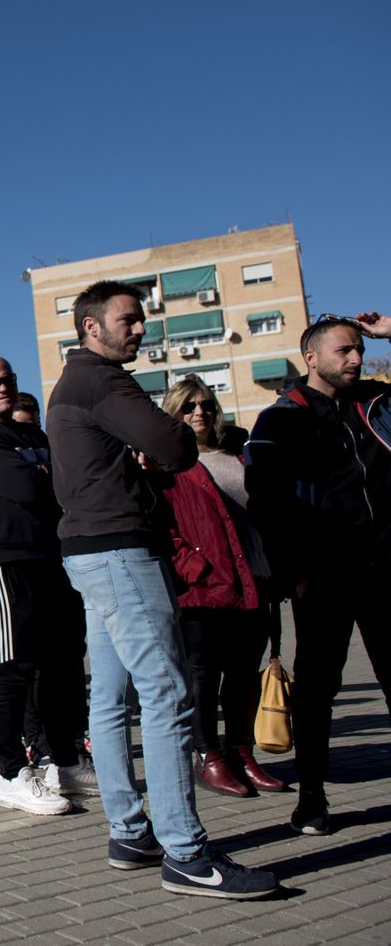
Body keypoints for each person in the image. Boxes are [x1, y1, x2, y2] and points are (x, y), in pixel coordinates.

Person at [50, 278, 277, 898]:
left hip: (90, 551)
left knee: (112, 693)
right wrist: (152, 447)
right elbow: (177, 444)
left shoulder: (72, 384)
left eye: (141, 318)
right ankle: (186, 852)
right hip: (120, 551)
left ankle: (128, 831)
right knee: (169, 695)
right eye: (129, 319)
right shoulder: (103, 379)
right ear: (91, 327)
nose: (140, 328)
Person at [247, 310, 391, 836]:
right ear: (311, 357)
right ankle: (312, 797)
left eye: (359, 348)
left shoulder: (377, 402)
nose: (355, 358)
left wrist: (389, 332)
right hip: (324, 575)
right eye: (344, 351)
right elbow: (266, 503)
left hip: (384, 568)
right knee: (317, 689)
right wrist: (292, 571)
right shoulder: (282, 418)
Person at [0, 355, 96, 816]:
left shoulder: (30, 433)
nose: (1, 388)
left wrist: (50, 478)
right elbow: (31, 488)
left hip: (50, 557)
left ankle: (64, 762)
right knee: (10, 664)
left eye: (7, 380)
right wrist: (48, 478)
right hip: (3, 559)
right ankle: (13, 773)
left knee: (62, 663)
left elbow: (66, 481)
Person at [158, 378, 285, 798]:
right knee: (203, 677)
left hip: (254, 579)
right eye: (188, 406)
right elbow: (161, 526)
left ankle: (241, 753)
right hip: (204, 587)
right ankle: (207, 755)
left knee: (245, 675)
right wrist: (192, 566)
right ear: (173, 414)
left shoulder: (234, 456)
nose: (199, 412)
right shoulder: (168, 463)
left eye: (206, 405)